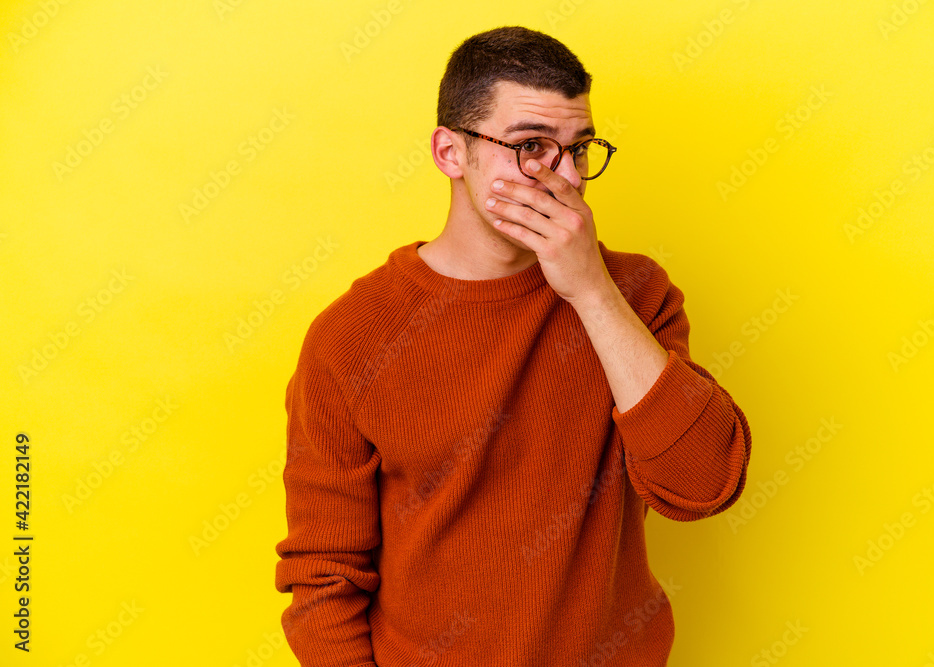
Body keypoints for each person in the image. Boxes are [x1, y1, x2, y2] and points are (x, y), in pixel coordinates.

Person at [274, 25, 751, 667]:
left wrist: (592, 291)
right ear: (451, 152)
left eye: (578, 149)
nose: (566, 178)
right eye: (531, 147)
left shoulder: (636, 294)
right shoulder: (352, 336)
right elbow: (324, 575)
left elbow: (703, 486)